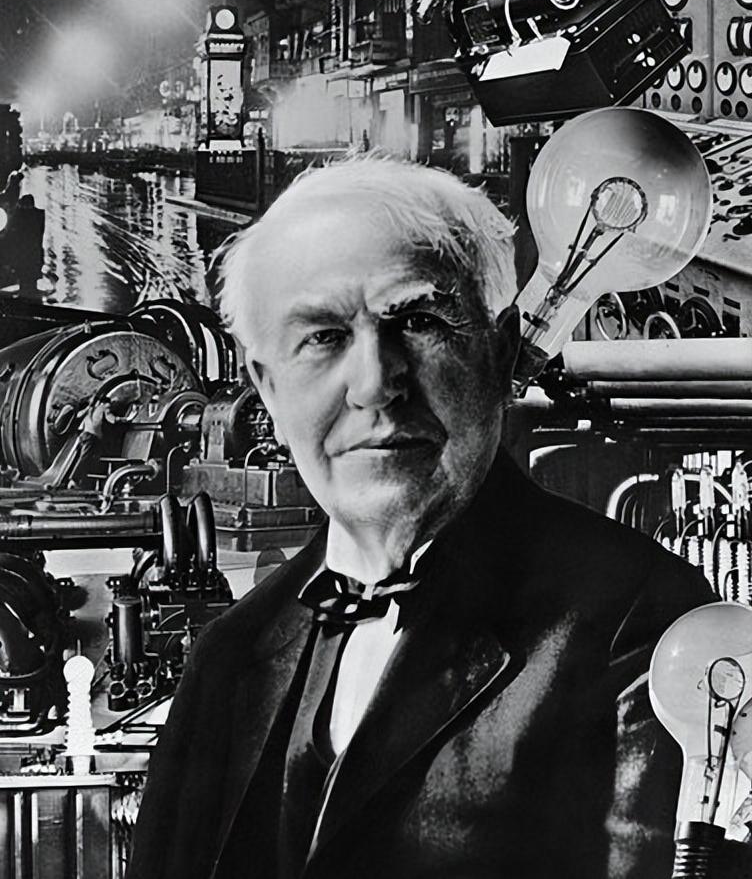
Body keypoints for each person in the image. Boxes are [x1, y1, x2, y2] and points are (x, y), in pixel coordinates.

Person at [127, 156, 723, 879]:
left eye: (417, 321)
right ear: (269, 391)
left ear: (501, 353)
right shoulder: (228, 655)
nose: (375, 384)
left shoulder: (645, 624)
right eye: (322, 337)